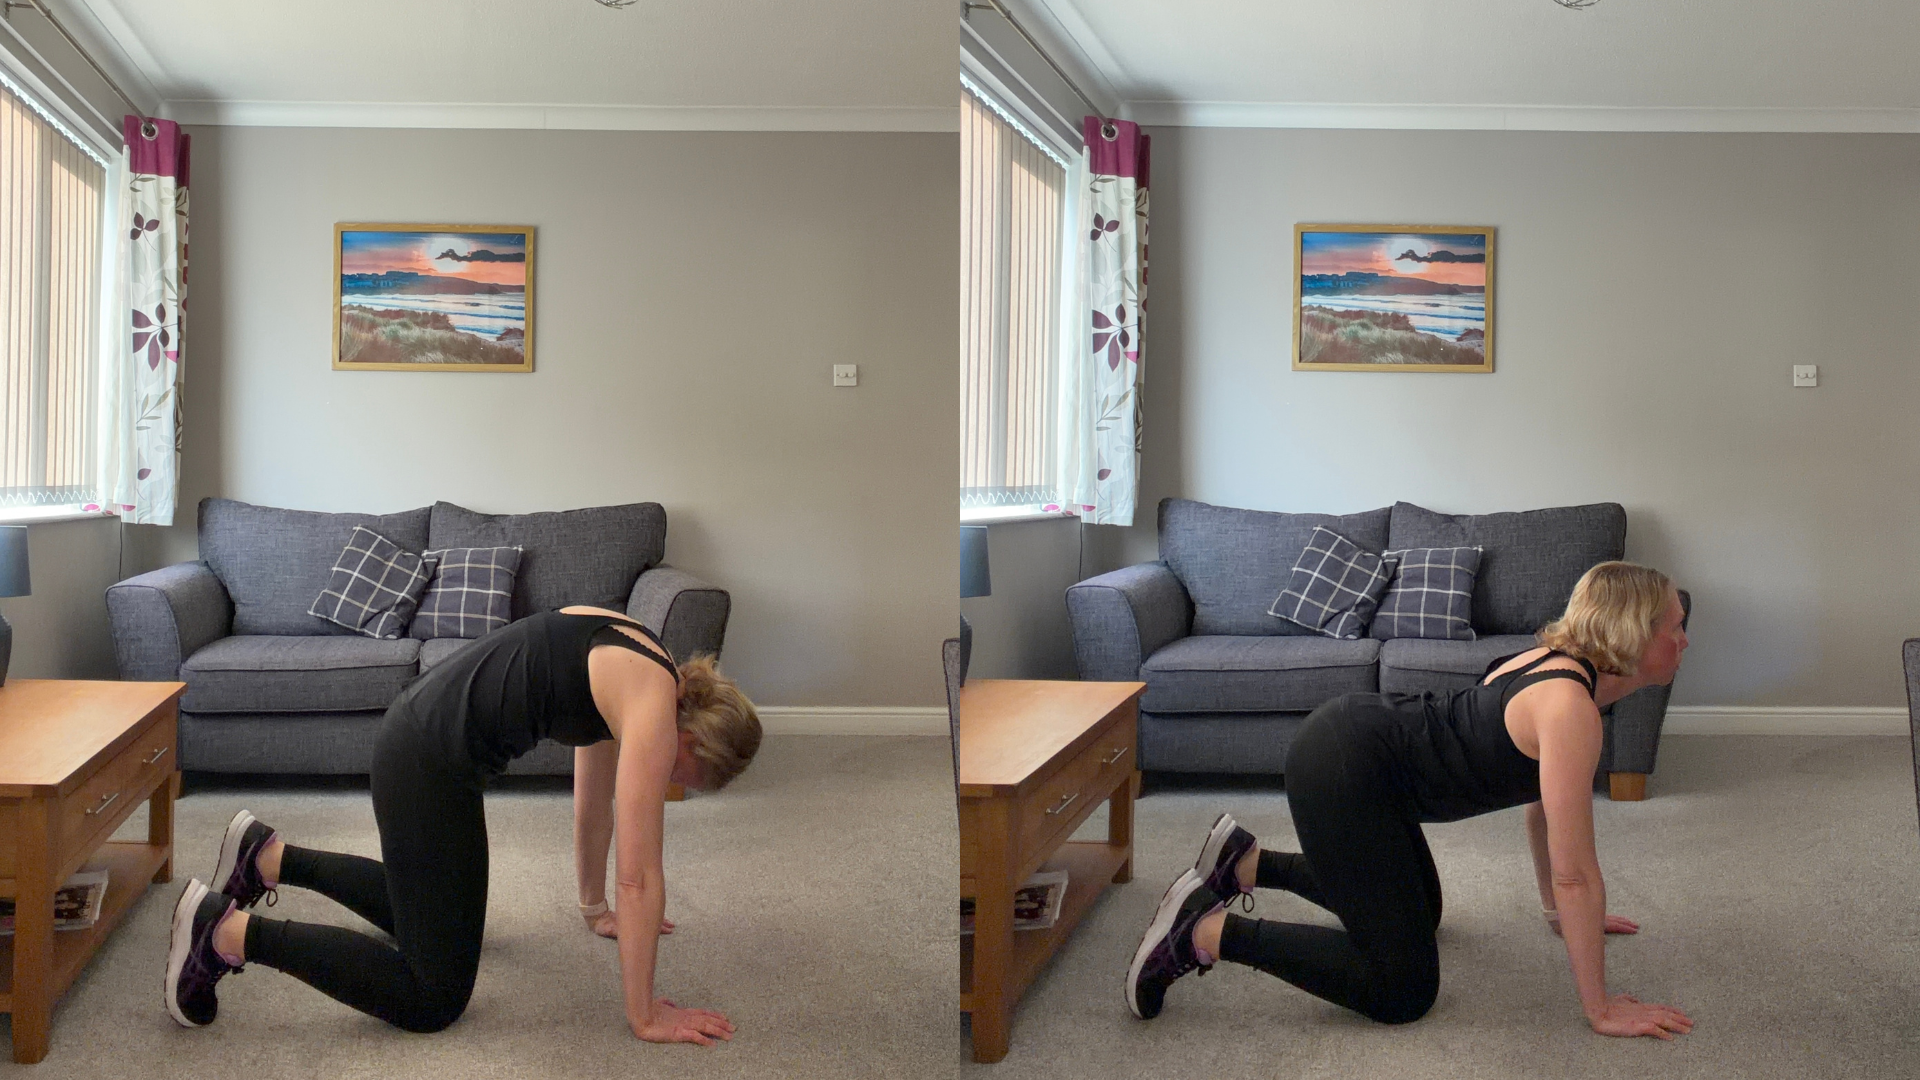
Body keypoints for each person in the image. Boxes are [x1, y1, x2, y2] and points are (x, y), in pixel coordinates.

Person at [1125, 562, 1695, 1041]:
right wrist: (1600, 1009)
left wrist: (1552, 911)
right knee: (1401, 989)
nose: (1685, 639)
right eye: (1676, 625)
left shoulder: (1564, 671)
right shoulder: (1570, 708)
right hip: (1346, 771)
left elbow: (1541, 806)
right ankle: (1203, 931)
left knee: (1424, 916)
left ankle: (1246, 863)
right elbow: (1578, 876)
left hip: (1364, 756)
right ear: (1634, 634)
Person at [162, 605, 761, 1045]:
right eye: (688, 776)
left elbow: (594, 805)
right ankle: (227, 934)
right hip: (426, 763)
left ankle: (267, 858)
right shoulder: (654, 713)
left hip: (425, 742)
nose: (669, 783)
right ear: (695, 741)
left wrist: (591, 908)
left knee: (438, 929)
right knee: (434, 996)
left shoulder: (640, 661)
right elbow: (641, 879)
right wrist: (646, 1015)